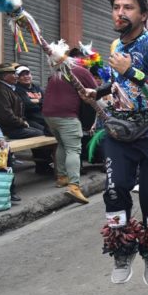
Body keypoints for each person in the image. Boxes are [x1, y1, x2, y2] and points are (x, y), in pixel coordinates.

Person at [83, 0, 148, 287]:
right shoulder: (116, 46)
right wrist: (96, 92)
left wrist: (132, 71)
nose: (120, 12)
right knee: (114, 189)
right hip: (120, 131)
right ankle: (122, 251)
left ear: (144, 15)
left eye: (128, 8)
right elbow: (118, 86)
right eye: (116, 7)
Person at [42, 59, 97, 204]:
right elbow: (96, 90)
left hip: (48, 115)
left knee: (62, 144)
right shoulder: (81, 71)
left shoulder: (58, 72)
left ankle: (62, 178)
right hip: (66, 115)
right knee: (73, 149)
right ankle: (74, 186)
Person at [0, 63, 51, 175]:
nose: (16, 76)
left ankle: (44, 165)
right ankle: (43, 166)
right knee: (41, 134)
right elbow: (7, 117)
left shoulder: (8, 89)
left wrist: (23, 121)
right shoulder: (0, 92)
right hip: (8, 129)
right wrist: (23, 123)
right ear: (4, 76)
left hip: (14, 126)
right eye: (13, 74)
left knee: (44, 133)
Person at [14, 65, 47, 133]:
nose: (26, 76)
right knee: (44, 133)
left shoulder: (37, 87)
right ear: (17, 78)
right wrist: (41, 102)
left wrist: (37, 101)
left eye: (27, 74)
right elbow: (27, 104)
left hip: (44, 117)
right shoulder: (17, 89)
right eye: (22, 75)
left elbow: (48, 102)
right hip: (29, 119)